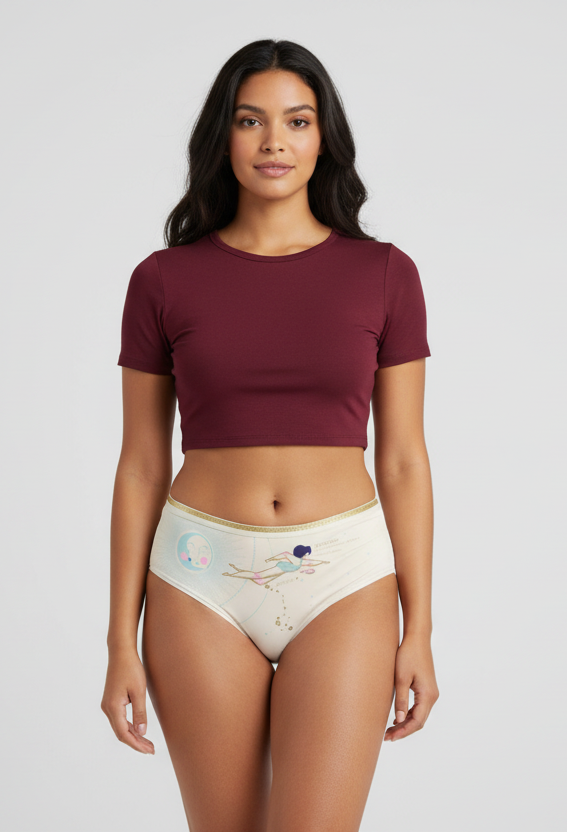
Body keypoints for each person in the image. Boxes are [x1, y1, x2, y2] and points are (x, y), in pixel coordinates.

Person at [101, 38, 439, 832]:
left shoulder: (384, 274)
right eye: (250, 120)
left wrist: (419, 628)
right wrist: (119, 640)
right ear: (222, 136)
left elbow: (402, 460)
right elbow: (141, 465)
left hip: (342, 576)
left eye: (297, 120)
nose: (274, 141)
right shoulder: (163, 280)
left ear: (324, 139)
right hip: (198, 577)